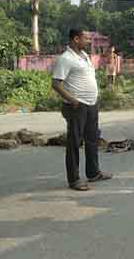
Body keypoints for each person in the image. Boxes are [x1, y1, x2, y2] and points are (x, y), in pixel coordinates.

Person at [52, 28, 113, 191]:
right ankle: (74, 179)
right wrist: (73, 101)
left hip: (91, 104)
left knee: (92, 139)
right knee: (74, 142)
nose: (88, 41)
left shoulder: (84, 56)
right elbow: (56, 84)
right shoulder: (65, 59)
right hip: (77, 107)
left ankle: (93, 173)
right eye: (86, 38)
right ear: (76, 39)